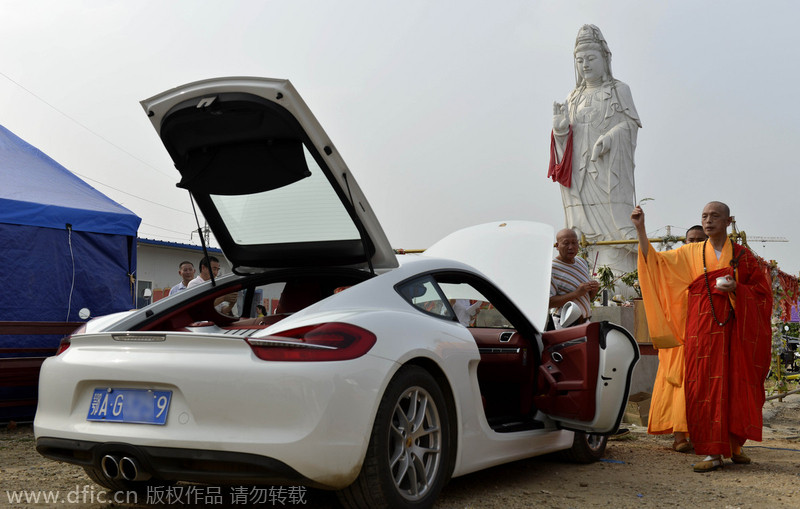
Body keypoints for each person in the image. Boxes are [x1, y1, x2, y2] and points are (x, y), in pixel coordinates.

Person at [632, 202, 772, 472]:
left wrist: (737, 289)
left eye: (715, 216)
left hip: (735, 333)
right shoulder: (691, 252)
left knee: (736, 384)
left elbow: (762, 292)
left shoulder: (743, 256)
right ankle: (711, 452)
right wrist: (641, 229)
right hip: (702, 332)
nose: (708, 221)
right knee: (704, 388)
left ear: (729, 221)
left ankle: (733, 446)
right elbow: (657, 263)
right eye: (704, 216)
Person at [548, 24, 642, 277]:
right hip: (580, 174)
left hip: (608, 170)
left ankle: (620, 274)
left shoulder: (619, 90)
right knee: (580, 226)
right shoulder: (572, 97)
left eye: (590, 58)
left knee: (613, 229)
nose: (585, 65)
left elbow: (631, 125)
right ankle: (583, 267)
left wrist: (610, 138)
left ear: (605, 58)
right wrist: (560, 131)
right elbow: (563, 148)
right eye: (579, 60)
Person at [647, 225, 708, 453]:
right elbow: (651, 260)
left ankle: (700, 434)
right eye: (690, 239)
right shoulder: (675, 261)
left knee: (701, 387)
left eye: (699, 240)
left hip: (703, 337)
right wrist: (642, 229)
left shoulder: (713, 264)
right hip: (677, 339)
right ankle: (679, 435)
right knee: (676, 386)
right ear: (684, 241)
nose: (694, 243)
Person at [549, 228, 600, 323]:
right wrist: (576, 293)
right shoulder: (551, 268)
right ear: (557, 246)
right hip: (564, 324)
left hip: (585, 321)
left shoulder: (582, 262)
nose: (571, 247)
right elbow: (549, 302)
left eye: (574, 243)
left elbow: (586, 297)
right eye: (566, 243)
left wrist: (594, 289)